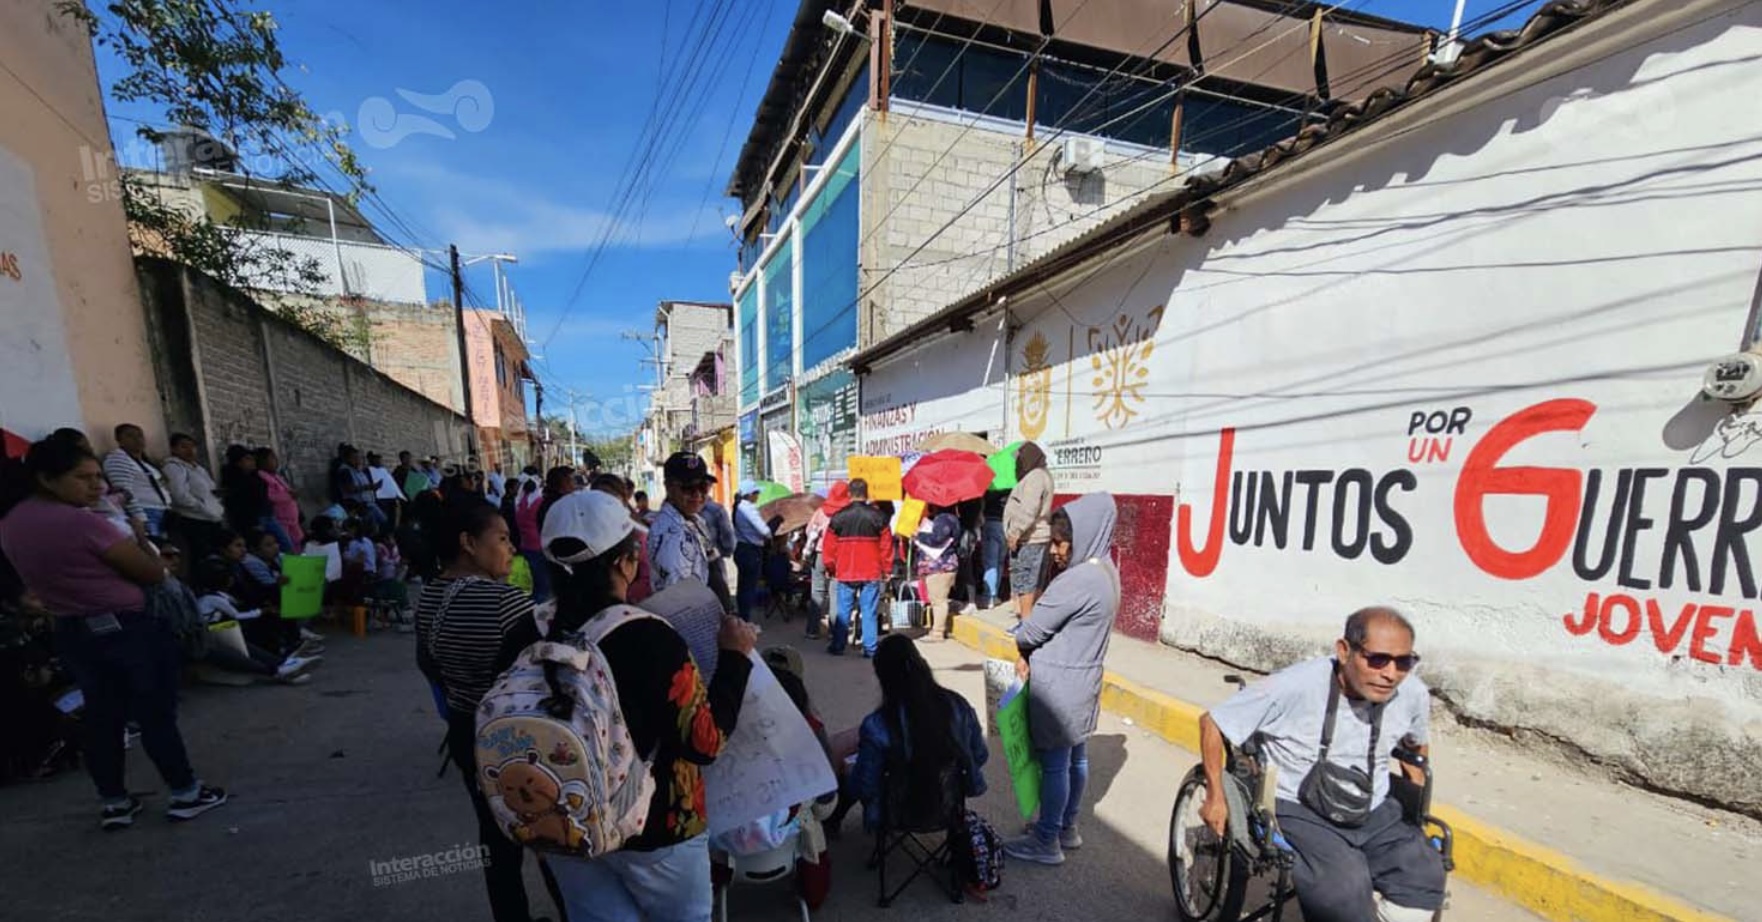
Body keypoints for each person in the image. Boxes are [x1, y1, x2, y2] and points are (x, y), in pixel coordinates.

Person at [539, 489, 759, 922]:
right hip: (655, 825)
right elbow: (704, 743)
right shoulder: (650, 637)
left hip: (560, 817)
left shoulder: (526, 632)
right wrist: (734, 657)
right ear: (624, 562)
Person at [0, 437, 225, 829]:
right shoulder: (84, 523)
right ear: (47, 480)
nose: (96, 486)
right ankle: (186, 791)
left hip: (73, 630)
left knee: (102, 720)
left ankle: (115, 802)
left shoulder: (12, 524)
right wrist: (138, 531)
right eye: (82, 478)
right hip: (127, 628)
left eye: (97, 477)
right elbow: (153, 571)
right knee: (155, 714)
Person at [1198, 608, 1443, 922]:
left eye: (1404, 662)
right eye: (1378, 659)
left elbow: (1416, 747)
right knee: (1344, 891)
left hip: (1373, 803)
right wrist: (1215, 797)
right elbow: (1214, 722)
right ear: (1344, 651)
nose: (1391, 674)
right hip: (1301, 807)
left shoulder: (1411, 693)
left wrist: (1416, 803)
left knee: (1423, 876)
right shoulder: (1295, 686)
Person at [413, 499, 564, 922]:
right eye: (501, 539)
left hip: (465, 727)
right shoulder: (506, 603)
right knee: (549, 832)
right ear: (468, 543)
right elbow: (545, 671)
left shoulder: (429, 597)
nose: (511, 548)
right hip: (516, 737)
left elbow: (426, 665)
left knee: (496, 837)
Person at [1003, 494, 1119, 866]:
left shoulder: (1078, 580)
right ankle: (1067, 827)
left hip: (1060, 687)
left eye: (1058, 542)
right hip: (1083, 681)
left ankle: (1046, 839)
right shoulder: (1106, 571)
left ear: (1082, 535)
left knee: (1055, 766)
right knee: (1075, 760)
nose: (1054, 550)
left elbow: (1030, 631)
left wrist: (1024, 624)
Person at [831, 634, 988, 835]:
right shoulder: (958, 706)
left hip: (894, 812)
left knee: (851, 771)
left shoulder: (878, 725)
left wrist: (850, 771)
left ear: (884, 679)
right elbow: (980, 755)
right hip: (947, 806)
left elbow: (865, 785)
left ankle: (832, 823)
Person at [190, 555, 317, 683]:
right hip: (214, 632)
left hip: (218, 630)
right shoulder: (213, 599)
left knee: (247, 643)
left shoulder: (215, 596)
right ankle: (278, 668)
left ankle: (284, 665)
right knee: (242, 646)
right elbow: (236, 615)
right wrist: (260, 612)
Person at [821, 478, 893, 658]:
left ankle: (838, 646)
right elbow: (886, 547)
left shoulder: (838, 517)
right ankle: (870, 649)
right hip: (871, 571)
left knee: (843, 610)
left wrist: (830, 567)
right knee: (869, 610)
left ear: (849, 494)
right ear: (866, 494)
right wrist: (887, 569)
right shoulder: (879, 517)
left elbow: (828, 547)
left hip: (846, 571)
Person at [647, 452, 720, 603]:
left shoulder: (695, 520)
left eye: (703, 487)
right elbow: (680, 602)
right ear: (669, 487)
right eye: (688, 488)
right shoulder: (672, 537)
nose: (698, 494)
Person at [1003, 441, 1054, 622]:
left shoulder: (1035, 477)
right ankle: (1032, 621)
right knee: (1034, 581)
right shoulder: (1041, 475)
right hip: (1036, 536)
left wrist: (1015, 532)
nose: (1018, 463)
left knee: (1026, 582)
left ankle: (1026, 623)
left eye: (1020, 459)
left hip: (1030, 537)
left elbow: (1028, 509)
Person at [162, 433, 226, 560]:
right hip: (193, 519)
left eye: (192, 446)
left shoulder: (199, 469)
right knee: (202, 557)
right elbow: (179, 495)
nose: (190, 450)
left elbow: (209, 490)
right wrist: (201, 507)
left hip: (211, 518)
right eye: (183, 447)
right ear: (174, 449)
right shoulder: (174, 467)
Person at [102, 423, 171, 540]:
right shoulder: (118, 459)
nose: (137, 440)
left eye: (140, 436)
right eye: (130, 436)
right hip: (145, 512)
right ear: (119, 440)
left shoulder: (145, 463)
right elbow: (124, 491)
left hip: (162, 513)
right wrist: (141, 518)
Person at [799, 482, 847, 641]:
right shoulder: (847, 512)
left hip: (820, 554)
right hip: (839, 556)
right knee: (835, 593)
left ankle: (812, 630)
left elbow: (808, 531)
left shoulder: (821, 511)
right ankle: (834, 631)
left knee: (817, 592)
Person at [914, 505, 963, 642]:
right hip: (945, 565)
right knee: (938, 599)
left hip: (939, 566)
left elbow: (937, 539)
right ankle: (937, 629)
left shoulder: (943, 519)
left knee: (938, 601)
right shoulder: (953, 519)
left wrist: (919, 534)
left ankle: (937, 632)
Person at [730, 482, 772, 622]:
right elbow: (764, 531)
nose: (758, 496)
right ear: (750, 495)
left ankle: (742, 617)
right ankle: (745, 620)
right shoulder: (749, 509)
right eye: (757, 493)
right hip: (751, 551)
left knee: (742, 586)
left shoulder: (738, 506)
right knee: (749, 588)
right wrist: (771, 531)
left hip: (741, 548)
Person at [511, 475, 550, 603]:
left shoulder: (520, 502)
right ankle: (537, 608)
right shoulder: (538, 502)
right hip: (538, 545)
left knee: (536, 580)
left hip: (526, 544)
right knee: (543, 584)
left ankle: (534, 602)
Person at [254, 447, 301, 551]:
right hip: (281, 518)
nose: (276, 460)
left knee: (297, 544)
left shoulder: (275, 476)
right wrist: (290, 496)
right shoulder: (263, 477)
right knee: (288, 547)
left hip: (291, 519)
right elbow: (271, 495)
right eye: (272, 458)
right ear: (262, 461)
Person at [219, 444, 271, 536]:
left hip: (263, 517)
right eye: (248, 459)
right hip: (250, 522)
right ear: (238, 462)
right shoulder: (236, 480)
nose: (253, 461)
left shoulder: (253, 476)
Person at [698, 496, 737, 614]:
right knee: (721, 600)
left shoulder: (681, 513)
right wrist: (725, 551)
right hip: (713, 562)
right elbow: (728, 537)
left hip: (695, 566)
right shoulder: (715, 510)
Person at [979, 489, 1009, 609]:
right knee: (1000, 562)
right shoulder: (1011, 487)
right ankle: (995, 594)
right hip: (1006, 525)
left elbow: (982, 503)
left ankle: (989, 596)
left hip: (991, 522)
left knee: (990, 563)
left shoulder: (990, 487)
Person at [367, 452, 405, 529]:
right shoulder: (368, 471)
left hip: (391, 499)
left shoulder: (384, 470)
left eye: (380, 460)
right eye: (377, 460)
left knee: (392, 519)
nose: (379, 462)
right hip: (380, 500)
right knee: (383, 520)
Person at [537, 465, 577, 531]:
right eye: (572, 480)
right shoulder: (561, 504)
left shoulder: (547, 501)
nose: (575, 483)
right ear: (564, 482)